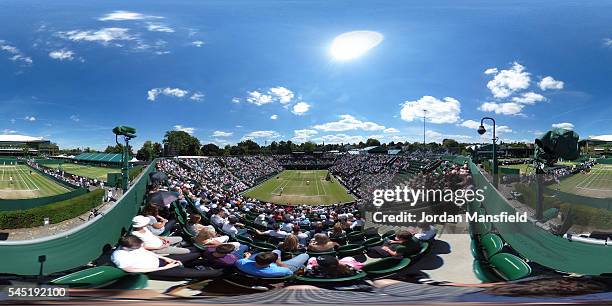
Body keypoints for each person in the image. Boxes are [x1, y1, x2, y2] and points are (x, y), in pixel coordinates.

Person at [111, 235, 222, 279]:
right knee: (200, 274)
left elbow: (147, 252)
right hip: (156, 270)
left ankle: (190, 264)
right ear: (127, 247)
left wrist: (166, 259)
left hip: (161, 261)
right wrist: (163, 268)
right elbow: (132, 270)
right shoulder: (118, 256)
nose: (140, 247)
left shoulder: (134, 245)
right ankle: (224, 272)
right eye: (137, 246)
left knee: (197, 253)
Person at [235, 250, 309, 277]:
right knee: (305, 255)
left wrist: (247, 258)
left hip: (271, 266)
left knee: (277, 251)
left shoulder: (240, 262)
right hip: (281, 266)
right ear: (272, 262)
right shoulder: (282, 271)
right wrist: (279, 263)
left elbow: (242, 261)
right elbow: (289, 272)